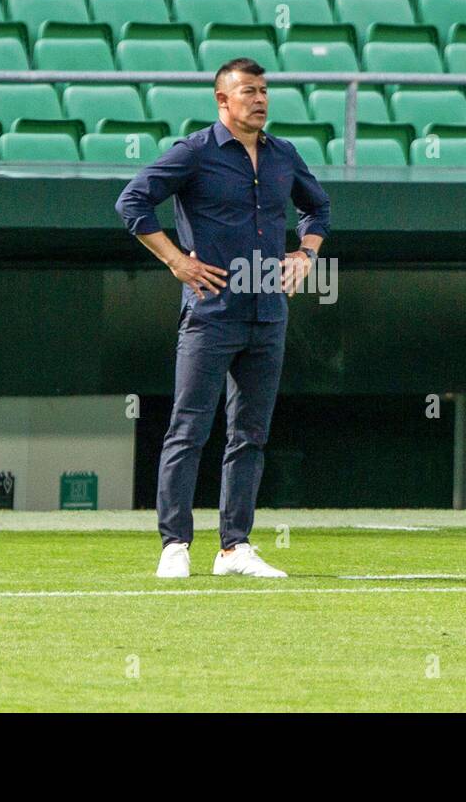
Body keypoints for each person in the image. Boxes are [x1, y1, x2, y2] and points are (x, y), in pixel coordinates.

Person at [114, 58, 331, 578]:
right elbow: (133, 202)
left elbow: (318, 208)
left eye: (263, 91)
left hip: (267, 312)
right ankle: (174, 545)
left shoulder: (283, 155)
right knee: (188, 429)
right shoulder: (194, 152)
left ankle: (234, 547)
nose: (259, 99)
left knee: (250, 434)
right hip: (211, 313)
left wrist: (306, 254)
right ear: (222, 101)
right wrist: (176, 260)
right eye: (247, 91)